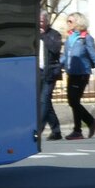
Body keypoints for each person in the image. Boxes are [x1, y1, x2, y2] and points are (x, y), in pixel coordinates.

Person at [61, 12, 95, 139]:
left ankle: (87, 124)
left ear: (78, 22)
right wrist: (56, 66)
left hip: (82, 73)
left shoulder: (86, 38)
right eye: (67, 21)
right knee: (73, 101)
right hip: (71, 73)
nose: (68, 24)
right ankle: (81, 129)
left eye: (70, 21)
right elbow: (65, 56)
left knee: (74, 101)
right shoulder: (69, 38)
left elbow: (93, 54)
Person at [38, 11, 63, 140]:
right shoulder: (34, 34)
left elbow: (55, 49)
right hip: (38, 72)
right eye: (38, 21)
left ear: (47, 21)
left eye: (42, 21)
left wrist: (44, 37)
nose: (40, 23)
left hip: (50, 72)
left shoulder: (54, 34)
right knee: (45, 101)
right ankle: (56, 130)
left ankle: (39, 129)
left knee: (44, 100)